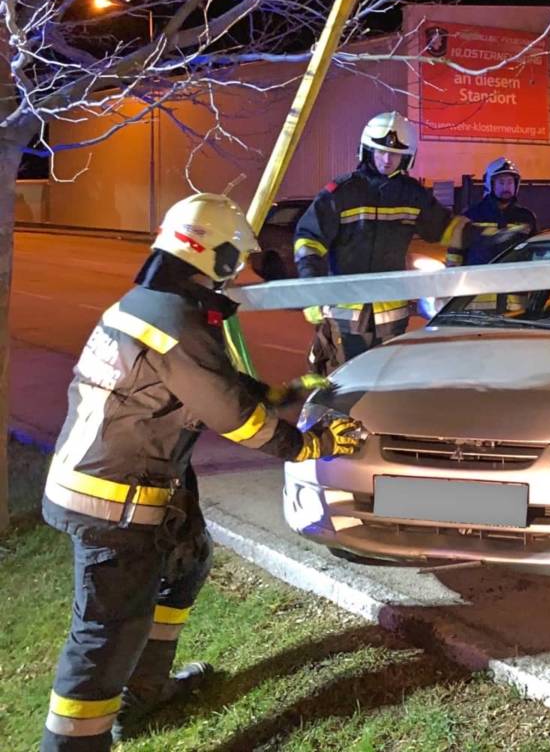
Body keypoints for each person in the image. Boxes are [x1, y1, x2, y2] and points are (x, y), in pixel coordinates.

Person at [41, 194, 363, 751]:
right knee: (104, 636)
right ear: (213, 255)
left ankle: (145, 692)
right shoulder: (177, 321)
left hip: (132, 483)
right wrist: (310, 444)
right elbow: (237, 419)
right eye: (234, 260)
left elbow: (210, 381)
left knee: (186, 561)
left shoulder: (153, 304)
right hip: (114, 501)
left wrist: (280, 393)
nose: (235, 273)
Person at [294, 111, 472, 373]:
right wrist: (312, 291)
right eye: (381, 152)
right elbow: (309, 240)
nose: (387, 160)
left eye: (395, 155)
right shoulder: (341, 192)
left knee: (383, 381)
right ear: (367, 150)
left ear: (406, 158)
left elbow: (446, 228)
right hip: (343, 313)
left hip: (391, 317)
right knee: (340, 380)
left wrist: (484, 236)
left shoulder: (412, 195)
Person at [458, 156, 538, 266]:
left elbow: (536, 252)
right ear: (490, 184)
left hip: (514, 275)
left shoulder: (526, 217)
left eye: (510, 182)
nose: (506, 187)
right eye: (501, 182)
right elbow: (456, 252)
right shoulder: (472, 215)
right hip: (480, 275)